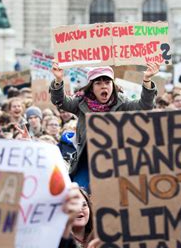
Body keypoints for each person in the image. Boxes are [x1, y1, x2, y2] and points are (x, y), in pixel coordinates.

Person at [50, 62, 160, 191]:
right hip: (86, 161)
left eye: (107, 83)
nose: (104, 87)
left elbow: (145, 106)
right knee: (81, 191)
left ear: (113, 85)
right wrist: (58, 80)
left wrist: (147, 80)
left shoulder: (122, 103)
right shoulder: (81, 103)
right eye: (98, 83)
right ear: (91, 87)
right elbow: (60, 101)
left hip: (115, 162)